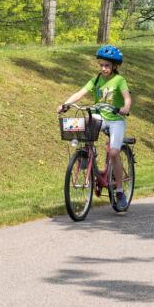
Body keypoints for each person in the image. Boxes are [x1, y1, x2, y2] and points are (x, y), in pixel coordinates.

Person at [57, 44, 132, 210]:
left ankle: (120, 191)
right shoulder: (96, 80)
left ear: (114, 66)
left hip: (116, 120)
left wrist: (125, 107)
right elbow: (80, 93)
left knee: (113, 152)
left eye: (107, 65)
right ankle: (86, 155)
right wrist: (66, 104)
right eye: (101, 65)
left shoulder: (119, 80)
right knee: (86, 123)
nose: (104, 68)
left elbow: (127, 97)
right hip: (101, 117)